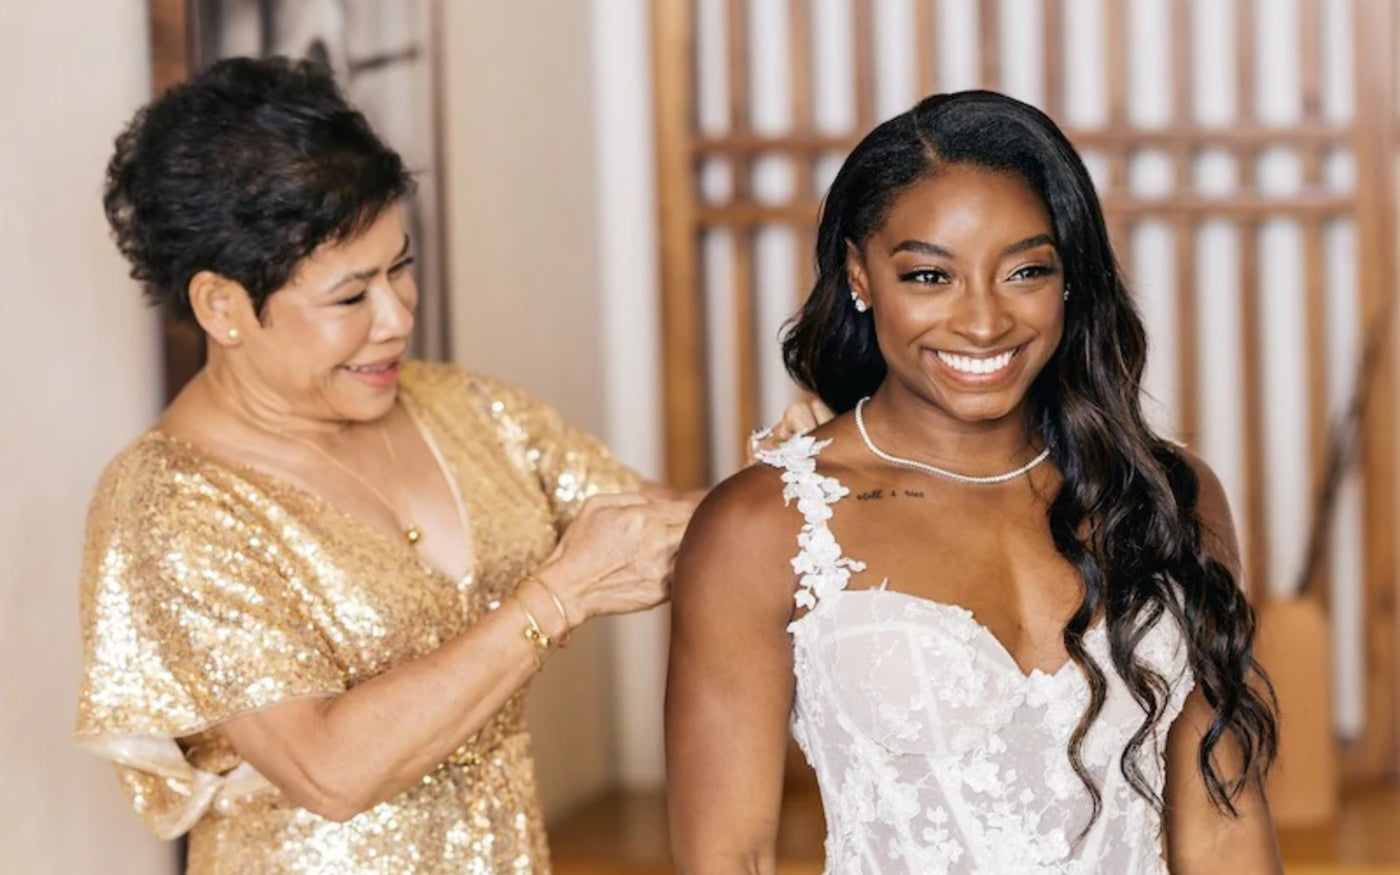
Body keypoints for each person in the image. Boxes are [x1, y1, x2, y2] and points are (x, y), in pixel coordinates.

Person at [74, 56, 821, 874]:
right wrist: (559, 594)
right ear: (222, 306)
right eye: (350, 297)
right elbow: (330, 768)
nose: (397, 317)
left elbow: (655, 533)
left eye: (400, 266)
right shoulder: (171, 502)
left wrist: (797, 481)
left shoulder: (460, 408)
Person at [665, 90, 1282, 874]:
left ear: (1069, 279)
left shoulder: (1165, 496)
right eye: (930, 276)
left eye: (1025, 269)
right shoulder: (763, 526)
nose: (984, 322)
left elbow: (1225, 821)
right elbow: (731, 857)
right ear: (860, 274)